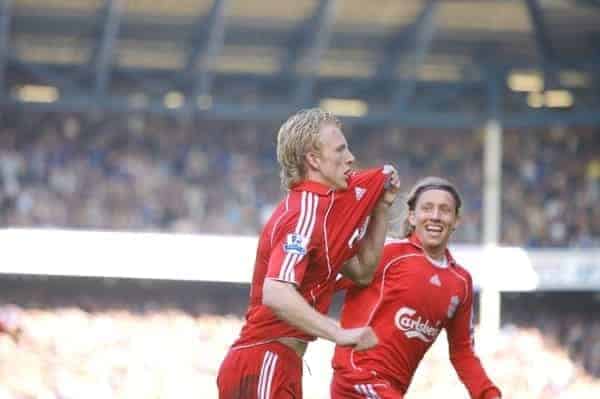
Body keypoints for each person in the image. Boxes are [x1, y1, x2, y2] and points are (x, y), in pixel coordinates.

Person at [217, 108, 400, 399]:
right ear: (313, 160)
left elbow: (363, 272)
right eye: (340, 149)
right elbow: (276, 291)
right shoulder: (304, 213)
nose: (351, 158)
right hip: (265, 358)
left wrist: (381, 207)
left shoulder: (324, 215)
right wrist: (339, 333)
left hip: (281, 363)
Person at [331, 176, 502, 399]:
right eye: (427, 208)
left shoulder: (461, 283)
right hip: (357, 378)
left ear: (456, 220)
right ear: (412, 216)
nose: (435, 216)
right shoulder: (388, 254)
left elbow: (462, 352)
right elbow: (326, 279)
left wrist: (489, 394)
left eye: (444, 210)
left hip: (392, 389)